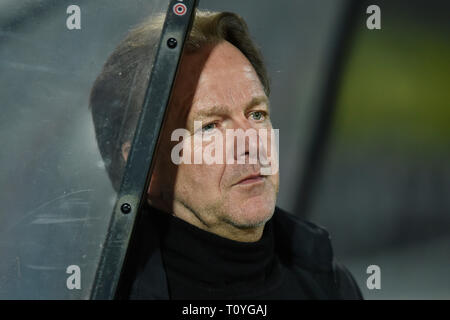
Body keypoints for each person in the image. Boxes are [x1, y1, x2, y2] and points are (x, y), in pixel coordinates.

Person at [90, 9, 363, 300]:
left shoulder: (329, 281)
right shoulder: (117, 292)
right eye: (209, 126)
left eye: (256, 114)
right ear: (147, 169)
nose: (251, 143)